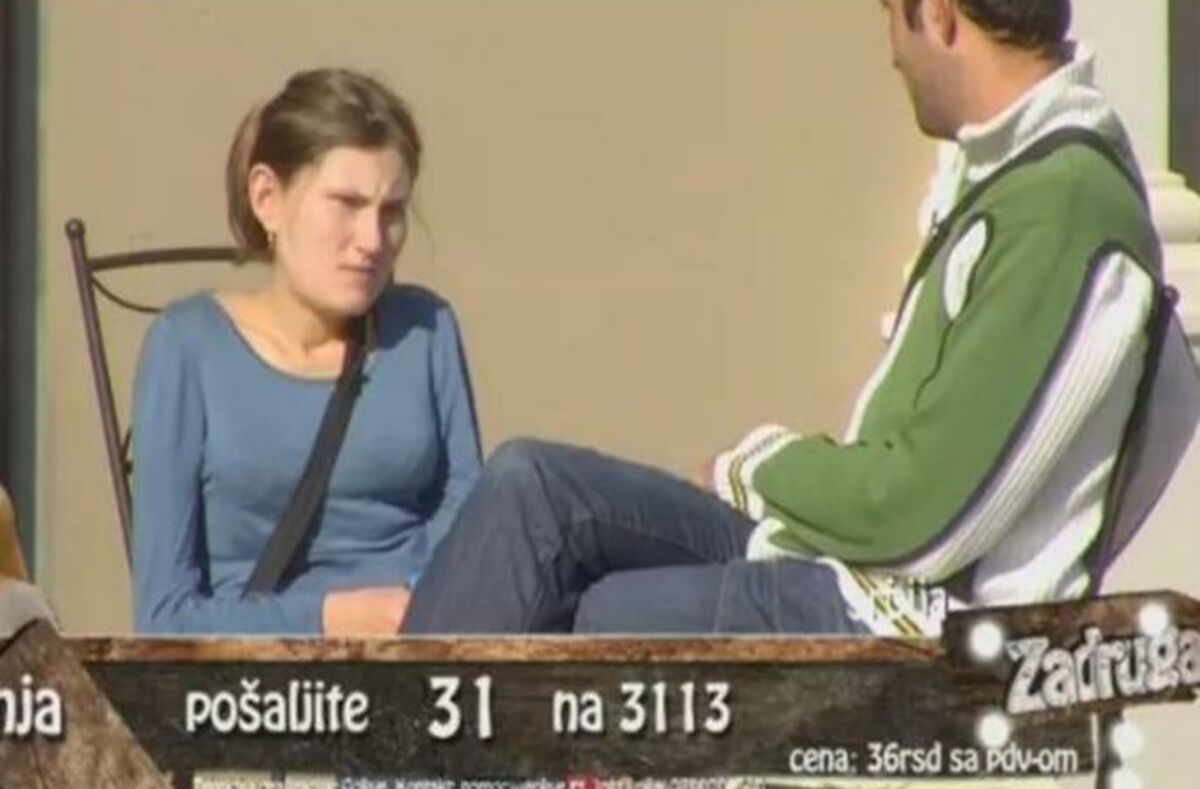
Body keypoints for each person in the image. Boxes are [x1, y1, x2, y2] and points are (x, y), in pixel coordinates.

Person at [403, 0, 1165, 635]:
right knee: (532, 488)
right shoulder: (1016, 179)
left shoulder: (1061, 205)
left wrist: (756, 467)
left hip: (904, 624)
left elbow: (920, 515)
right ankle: (387, 755)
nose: (892, 56)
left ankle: (397, 757)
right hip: (845, 569)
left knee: (587, 616)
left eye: (889, 17)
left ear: (937, 15)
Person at [132, 69, 482, 635]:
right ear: (267, 198)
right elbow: (163, 619)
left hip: (422, 650)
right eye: (346, 203)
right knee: (534, 481)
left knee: (547, 508)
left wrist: (415, 607)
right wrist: (331, 617)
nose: (372, 240)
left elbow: (471, 538)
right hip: (268, 671)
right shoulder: (188, 347)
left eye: (392, 211)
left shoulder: (424, 329)